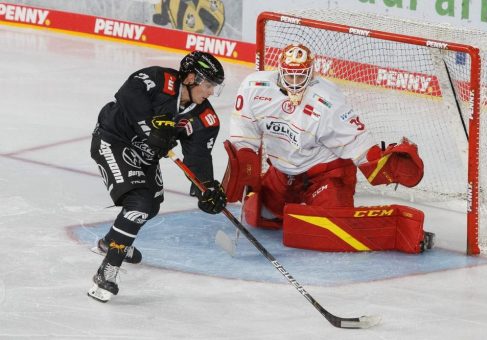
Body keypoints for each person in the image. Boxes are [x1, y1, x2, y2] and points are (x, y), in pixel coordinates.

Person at [222, 43, 434, 254]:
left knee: (336, 232)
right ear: (279, 70)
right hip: (283, 172)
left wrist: (380, 162)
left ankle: (399, 231)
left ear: (311, 72)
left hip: (325, 175)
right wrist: (243, 169)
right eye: (290, 75)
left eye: (300, 75)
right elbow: (243, 133)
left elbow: (357, 143)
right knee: (259, 215)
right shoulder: (254, 88)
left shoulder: (328, 101)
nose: (294, 81)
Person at [88, 51, 227, 302]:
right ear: (191, 78)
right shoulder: (159, 79)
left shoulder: (205, 119)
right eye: (207, 85)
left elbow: (198, 156)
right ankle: (108, 270)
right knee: (138, 204)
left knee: (150, 205)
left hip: (146, 155)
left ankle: (112, 242)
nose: (210, 92)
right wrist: (150, 127)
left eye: (214, 87)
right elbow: (127, 94)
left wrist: (205, 187)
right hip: (114, 140)